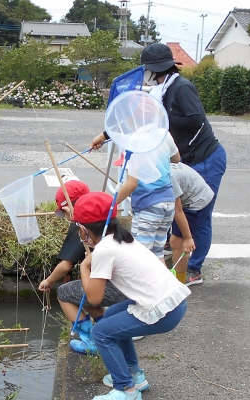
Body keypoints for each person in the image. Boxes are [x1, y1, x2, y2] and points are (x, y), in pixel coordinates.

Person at [92, 43, 226, 286]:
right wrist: (106, 134)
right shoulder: (160, 91)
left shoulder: (181, 87)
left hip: (204, 157)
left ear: (155, 69)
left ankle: (191, 269)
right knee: (174, 223)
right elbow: (138, 119)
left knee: (197, 216)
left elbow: (195, 119)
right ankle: (169, 273)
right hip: (177, 164)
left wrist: (162, 121)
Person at [73, 192, 190, 400]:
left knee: (102, 333)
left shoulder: (104, 251)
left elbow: (94, 298)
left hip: (163, 310)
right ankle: (133, 374)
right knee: (110, 317)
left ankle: (126, 391)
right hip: (173, 300)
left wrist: (83, 267)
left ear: (84, 229)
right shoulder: (123, 238)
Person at [38, 180, 128, 355]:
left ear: (67, 208)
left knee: (65, 293)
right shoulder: (106, 219)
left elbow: (65, 266)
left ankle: (92, 341)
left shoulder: (81, 226)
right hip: (127, 283)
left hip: (116, 287)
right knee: (81, 293)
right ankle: (106, 331)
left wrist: (48, 281)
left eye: (63, 213)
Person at [114, 132, 181, 264]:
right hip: (167, 201)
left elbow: (131, 184)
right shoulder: (164, 134)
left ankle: (143, 285)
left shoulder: (133, 142)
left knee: (140, 257)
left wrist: (110, 205)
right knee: (157, 253)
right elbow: (176, 158)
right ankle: (163, 284)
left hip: (148, 205)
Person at [169, 162, 214, 283]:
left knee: (177, 241)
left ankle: (180, 282)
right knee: (176, 239)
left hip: (196, 200)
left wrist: (188, 238)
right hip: (191, 191)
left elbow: (178, 210)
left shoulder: (167, 178)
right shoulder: (155, 168)